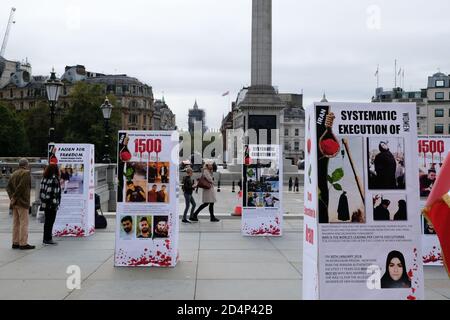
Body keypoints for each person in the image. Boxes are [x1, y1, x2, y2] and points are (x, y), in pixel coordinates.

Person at [6, 158, 34, 250]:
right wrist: (15, 197)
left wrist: (12, 198)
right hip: (22, 201)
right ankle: (23, 243)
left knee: (16, 223)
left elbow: (8, 188)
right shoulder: (26, 173)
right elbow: (21, 187)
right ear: (26, 165)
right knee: (24, 223)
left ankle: (15, 242)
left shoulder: (13, 173)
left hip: (15, 203)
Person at [39, 164, 62, 245]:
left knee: (47, 222)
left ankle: (46, 238)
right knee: (50, 222)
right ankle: (48, 239)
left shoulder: (44, 178)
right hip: (51, 205)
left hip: (45, 204)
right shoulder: (54, 179)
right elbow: (53, 193)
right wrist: (55, 204)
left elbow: (41, 192)